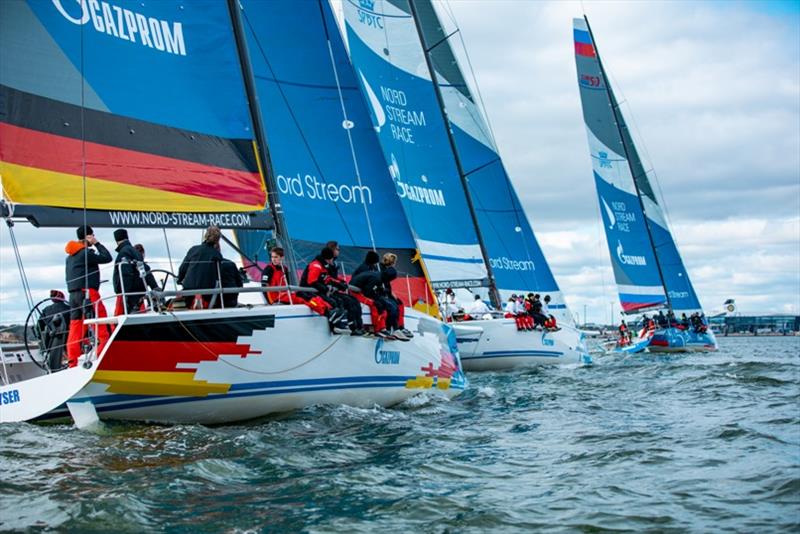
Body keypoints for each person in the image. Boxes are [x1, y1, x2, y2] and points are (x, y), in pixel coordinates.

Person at [65, 225, 113, 367]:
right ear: (88, 236)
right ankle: (102, 358)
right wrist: (96, 243)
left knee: (75, 329)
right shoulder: (85, 253)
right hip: (88, 293)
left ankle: (72, 362)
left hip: (73, 296)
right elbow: (107, 258)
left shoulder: (69, 257)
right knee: (102, 326)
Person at [177, 225, 224, 309]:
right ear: (218, 240)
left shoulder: (193, 249)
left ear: (206, 235)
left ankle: (195, 300)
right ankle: (200, 300)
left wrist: (179, 280)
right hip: (207, 292)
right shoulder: (217, 255)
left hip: (189, 289)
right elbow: (219, 276)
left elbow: (182, 269)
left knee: (178, 302)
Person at [379, 253, 413, 338]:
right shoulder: (381, 269)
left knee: (399, 303)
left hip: (387, 292)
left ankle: (401, 327)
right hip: (380, 293)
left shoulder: (386, 269)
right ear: (393, 262)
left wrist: (391, 293)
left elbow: (387, 284)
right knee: (392, 306)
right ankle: (392, 328)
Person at [112, 228, 145, 315]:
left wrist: (125, 295)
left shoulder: (123, 252)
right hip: (140, 293)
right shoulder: (136, 252)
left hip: (129, 295)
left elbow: (126, 274)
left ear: (117, 241)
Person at [38, 290, 71, 370]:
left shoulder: (46, 310)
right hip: (68, 339)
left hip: (51, 341)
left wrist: (40, 337)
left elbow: (39, 326)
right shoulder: (69, 308)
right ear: (62, 298)